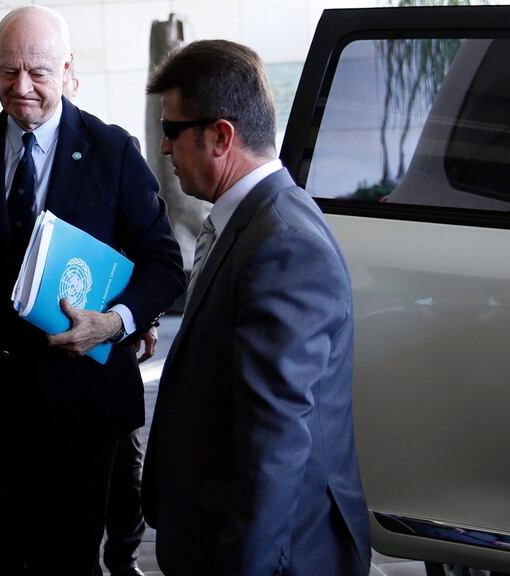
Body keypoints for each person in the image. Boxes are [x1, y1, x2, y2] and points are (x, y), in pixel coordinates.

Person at [0, 6, 185, 574]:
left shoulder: (112, 151)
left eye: (38, 72)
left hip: (79, 407)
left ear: (69, 71)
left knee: (69, 560)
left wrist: (119, 320)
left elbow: (164, 264)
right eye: (7, 71)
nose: (20, 87)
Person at [140, 40, 371, 575]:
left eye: (172, 130)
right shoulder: (250, 221)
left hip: (273, 553)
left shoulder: (284, 243)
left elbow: (276, 441)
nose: (166, 149)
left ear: (221, 136)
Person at [62, 61, 149, 576]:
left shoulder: (115, 150)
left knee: (125, 466)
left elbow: (146, 253)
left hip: (109, 346)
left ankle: (123, 556)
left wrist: (138, 317)